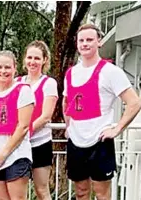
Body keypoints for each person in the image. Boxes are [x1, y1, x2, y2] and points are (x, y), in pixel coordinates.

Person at [63, 24, 141, 200]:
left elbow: (134, 102)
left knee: (102, 194)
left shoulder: (111, 72)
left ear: (99, 42)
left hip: (99, 142)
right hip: (76, 142)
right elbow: (66, 101)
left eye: (89, 40)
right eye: (81, 40)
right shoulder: (71, 73)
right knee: (81, 192)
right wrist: (68, 126)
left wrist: (117, 129)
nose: (85, 44)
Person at [0, 50, 34, 200]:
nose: (3, 71)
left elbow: (23, 127)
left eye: (7, 67)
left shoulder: (23, 91)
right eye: (0, 67)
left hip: (15, 156)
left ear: (15, 68)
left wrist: (3, 154)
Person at [16, 41, 57, 200]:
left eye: (37, 58)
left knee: (41, 189)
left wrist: (26, 130)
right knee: (19, 191)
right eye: (29, 57)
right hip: (19, 144)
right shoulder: (17, 82)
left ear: (44, 60)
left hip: (40, 143)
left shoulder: (49, 83)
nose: (32, 62)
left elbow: (46, 115)